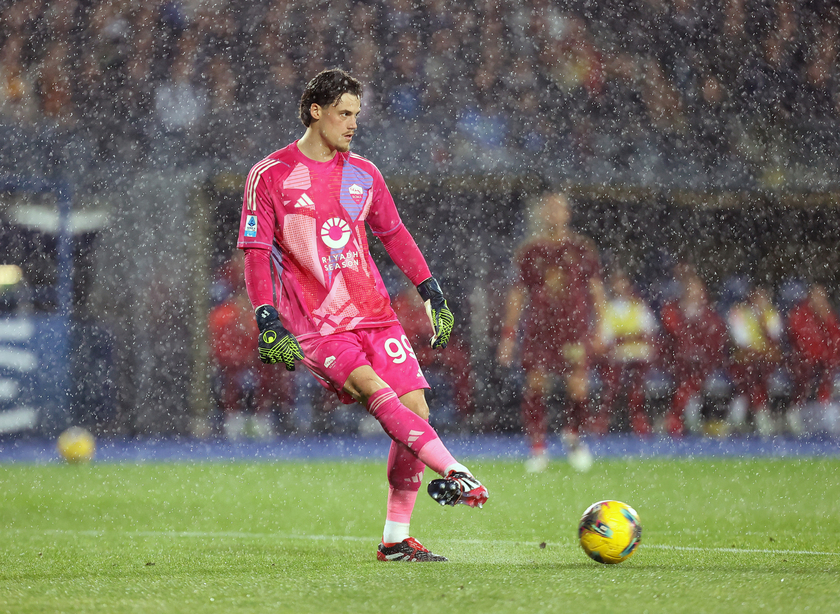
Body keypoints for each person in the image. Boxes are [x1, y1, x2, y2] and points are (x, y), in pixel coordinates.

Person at [236, 69, 488, 563]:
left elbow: (393, 233)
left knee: (415, 410)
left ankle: (395, 539)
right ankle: (455, 469)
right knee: (371, 390)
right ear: (316, 111)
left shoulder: (364, 173)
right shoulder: (270, 175)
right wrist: (267, 319)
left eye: (357, 114)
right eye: (344, 113)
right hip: (315, 322)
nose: (353, 124)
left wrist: (431, 291)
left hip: (374, 311)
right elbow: (254, 251)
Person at [497, 191, 605, 472]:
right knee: (535, 385)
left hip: (574, 329)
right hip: (540, 330)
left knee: (578, 387)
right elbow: (517, 294)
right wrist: (508, 336)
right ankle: (537, 448)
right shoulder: (530, 251)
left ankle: (573, 436)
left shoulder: (582, 248)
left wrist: (601, 327)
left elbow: (596, 290)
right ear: (543, 214)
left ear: (568, 214)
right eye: (550, 209)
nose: (554, 213)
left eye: (559, 208)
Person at [659, 266, 729, 436]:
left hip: (704, 365)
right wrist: (689, 350)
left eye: (698, 289)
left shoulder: (708, 315)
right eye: (691, 289)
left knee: (693, 380)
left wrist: (701, 352)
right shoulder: (672, 310)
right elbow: (674, 336)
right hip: (677, 363)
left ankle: (679, 417)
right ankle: (685, 419)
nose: (695, 293)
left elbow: (717, 337)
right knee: (688, 380)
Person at [593, 268, 658, 436]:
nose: (620, 287)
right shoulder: (606, 309)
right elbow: (605, 338)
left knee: (635, 387)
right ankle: (603, 420)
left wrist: (625, 338)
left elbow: (649, 332)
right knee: (612, 386)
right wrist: (627, 338)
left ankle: (638, 419)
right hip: (616, 357)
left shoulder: (638, 307)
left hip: (637, 355)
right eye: (616, 283)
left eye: (623, 282)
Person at [725, 284, 784, 437]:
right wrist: (758, 353)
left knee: (756, 379)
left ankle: (740, 417)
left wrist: (763, 320)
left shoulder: (771, 314)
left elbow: (775, 338)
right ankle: (760, 414)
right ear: (751, 297)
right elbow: (740, 341)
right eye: (757, 296)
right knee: (751, 377)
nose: (761, 300)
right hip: (743, 361)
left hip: (764, 362)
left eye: (764, 296)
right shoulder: (738, 313)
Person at [786, 284, 840, 434]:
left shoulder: (827, 315)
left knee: (827, 368)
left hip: (824, 363)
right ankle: (796, 412)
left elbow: (836, 340)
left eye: (822, 296)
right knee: (807, 371)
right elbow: (803, 343)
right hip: (804, 362)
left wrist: (827, 320)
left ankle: (823, 408)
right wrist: (821, 356)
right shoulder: (799, 314)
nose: (819, 300)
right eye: (816, 296)